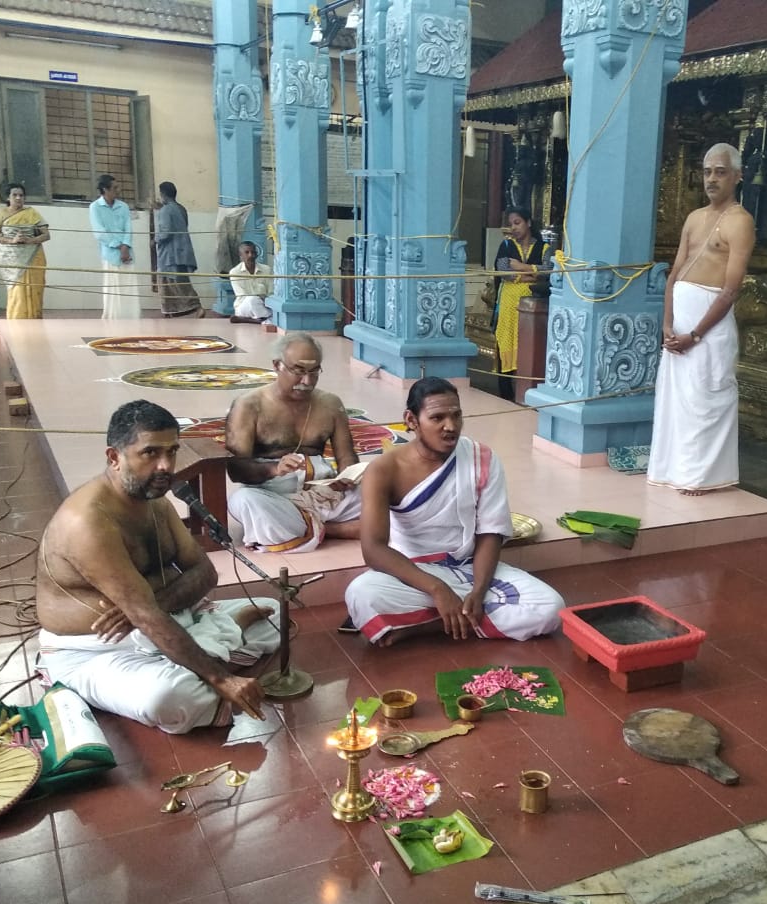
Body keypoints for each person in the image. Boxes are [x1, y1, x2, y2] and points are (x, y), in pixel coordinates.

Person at [35, 400, 280, 734]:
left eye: (172, 451)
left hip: (163, 620)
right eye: (151, 453)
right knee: (170, 697)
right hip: (97, 651)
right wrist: (223, 680)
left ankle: (208, 645)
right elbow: (148, 616)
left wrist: (147, 609)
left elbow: (205, 572)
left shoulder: (155, 501)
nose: (166, 466)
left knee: (277, 615)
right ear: (114, 458)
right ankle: (217, 647)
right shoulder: (88, 522)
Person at [344, 377, 564, 646]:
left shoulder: (481, 458)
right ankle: (462, 617)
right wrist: (438, 590)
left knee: (551, 607)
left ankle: (430, 625)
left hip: (469, 569)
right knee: (361, 594)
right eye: (437, 418)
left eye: (456, 416)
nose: (450, 427)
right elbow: (374, 549)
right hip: (412, 574)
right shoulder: (383, 469)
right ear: (411, 420)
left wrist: (479, 591)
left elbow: (490, 533)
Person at [647, 142, 755, 496]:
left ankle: (701, 478)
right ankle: (672, 470)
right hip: (678, 328)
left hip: (708, 331)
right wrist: (667, 324)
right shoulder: (694, 218)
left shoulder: (741, 222)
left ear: (737, 177)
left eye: (721, 172)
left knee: (705, 401)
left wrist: (695, 334)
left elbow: (730, 291)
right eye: (708, 171)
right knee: (675, 402)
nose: (712, 179)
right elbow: (675, 273)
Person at [225, 332, 362, 552]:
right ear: (277, 365)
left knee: (384, 491)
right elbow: (235, 468)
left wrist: (347, 477)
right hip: (274, 496)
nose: (307, 381)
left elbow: (346, 456)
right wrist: (274, 468)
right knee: (244, 501)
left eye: (314, 371)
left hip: (325, 494)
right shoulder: (248, 406)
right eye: (298, 371)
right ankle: (337, 530)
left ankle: (308, 527)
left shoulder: (330, 404)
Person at [492, 207, 551, 400]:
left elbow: (549, 271)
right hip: (509, 304)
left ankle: (527, 393)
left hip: (534, 306)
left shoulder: (544, 248)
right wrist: (528, 276)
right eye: (511, 224)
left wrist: (523, 267)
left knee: (529, 344)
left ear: (529, 223)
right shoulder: (506, 246)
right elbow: (503, 271)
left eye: (517, 223)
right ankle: (506, 395)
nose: (513, 228)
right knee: (506, 341)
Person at [0, 183, 50, 320]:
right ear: (8, 197)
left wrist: (29, 240)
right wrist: (12, 241)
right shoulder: (0, 214)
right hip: (12, 258)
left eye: (21, 195)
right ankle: (16, 321)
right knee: (16, 290)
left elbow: (46, 235)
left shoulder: (32, 213)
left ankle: (35, 320)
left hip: (33, 256)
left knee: (35, 289)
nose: (18, 198)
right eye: (14, 195)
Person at [88, 174, 141, 321]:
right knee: (113, 289)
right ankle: (113, 320)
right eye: (115, 187)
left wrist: (125, 246)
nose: (118, 190)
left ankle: (132, 319)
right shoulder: (95, 207)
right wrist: (118, 246)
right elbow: (99, 232)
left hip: (127, 254)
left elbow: (128, 229)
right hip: (110, 255)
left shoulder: (123, 206)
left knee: (129, 288)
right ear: (105, 189)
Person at [153, 181, 204, 318]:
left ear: (163, 194)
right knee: (180, 280)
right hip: (182, 252)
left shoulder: (165, 210)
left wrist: (155, 240)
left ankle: (196, 307)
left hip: (169, 254)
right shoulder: (181, 209)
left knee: (172, 283)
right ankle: (172, 311)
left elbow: (165, 232)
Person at [229, 241, 274, 324]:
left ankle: (254, 320)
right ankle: (266, 320)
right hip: (244, 307)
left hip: (264, 304)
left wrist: (264, 300)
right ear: (241, 256)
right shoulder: (235, 272)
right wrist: (260, 297)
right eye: (247, 252)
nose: (250, 255)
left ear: (256, 254)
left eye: (253, 252)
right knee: (252, 299)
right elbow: (243, 296)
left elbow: (271, 292)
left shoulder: (266, 269)